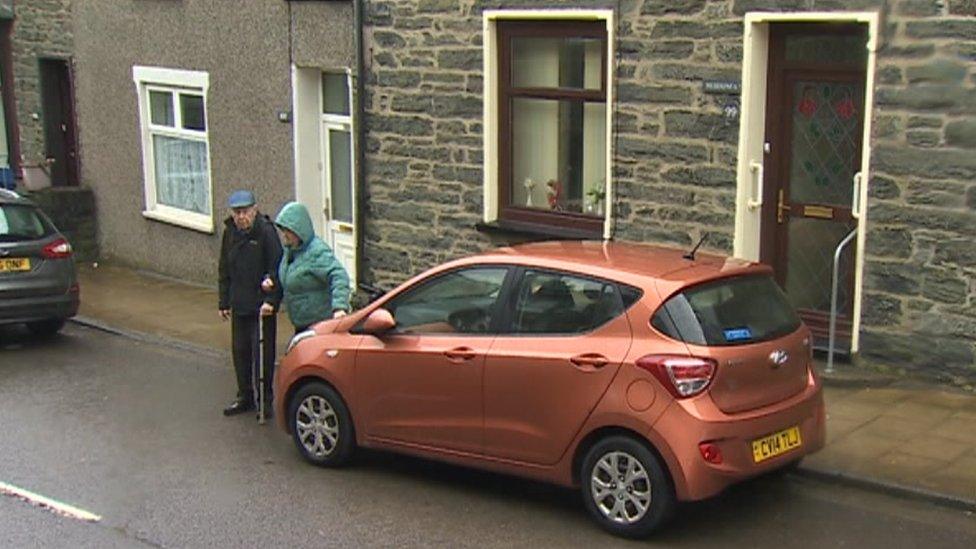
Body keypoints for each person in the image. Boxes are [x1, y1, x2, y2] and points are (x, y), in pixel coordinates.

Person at [218, 190, 283, 417]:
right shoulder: (230, 234)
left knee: (262, 356)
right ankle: (244, 396)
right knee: (240, 352)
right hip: (240, 304)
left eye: (245, 212)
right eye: (237, 213)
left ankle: (265, 401)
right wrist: (223, 301)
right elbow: (224, 269)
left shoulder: (266, 233)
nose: (241, 217)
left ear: (254, 210)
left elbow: (277, 269)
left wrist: (272, 301)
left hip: (261, 308)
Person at [268, 201, 350, 333]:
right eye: (283, 230)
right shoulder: (290, 251)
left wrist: (339, 308)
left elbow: (338, 275)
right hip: (301, 322)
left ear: (298, 230)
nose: (284, 235)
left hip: (319, 325)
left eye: (288, 231)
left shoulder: (317, 252)